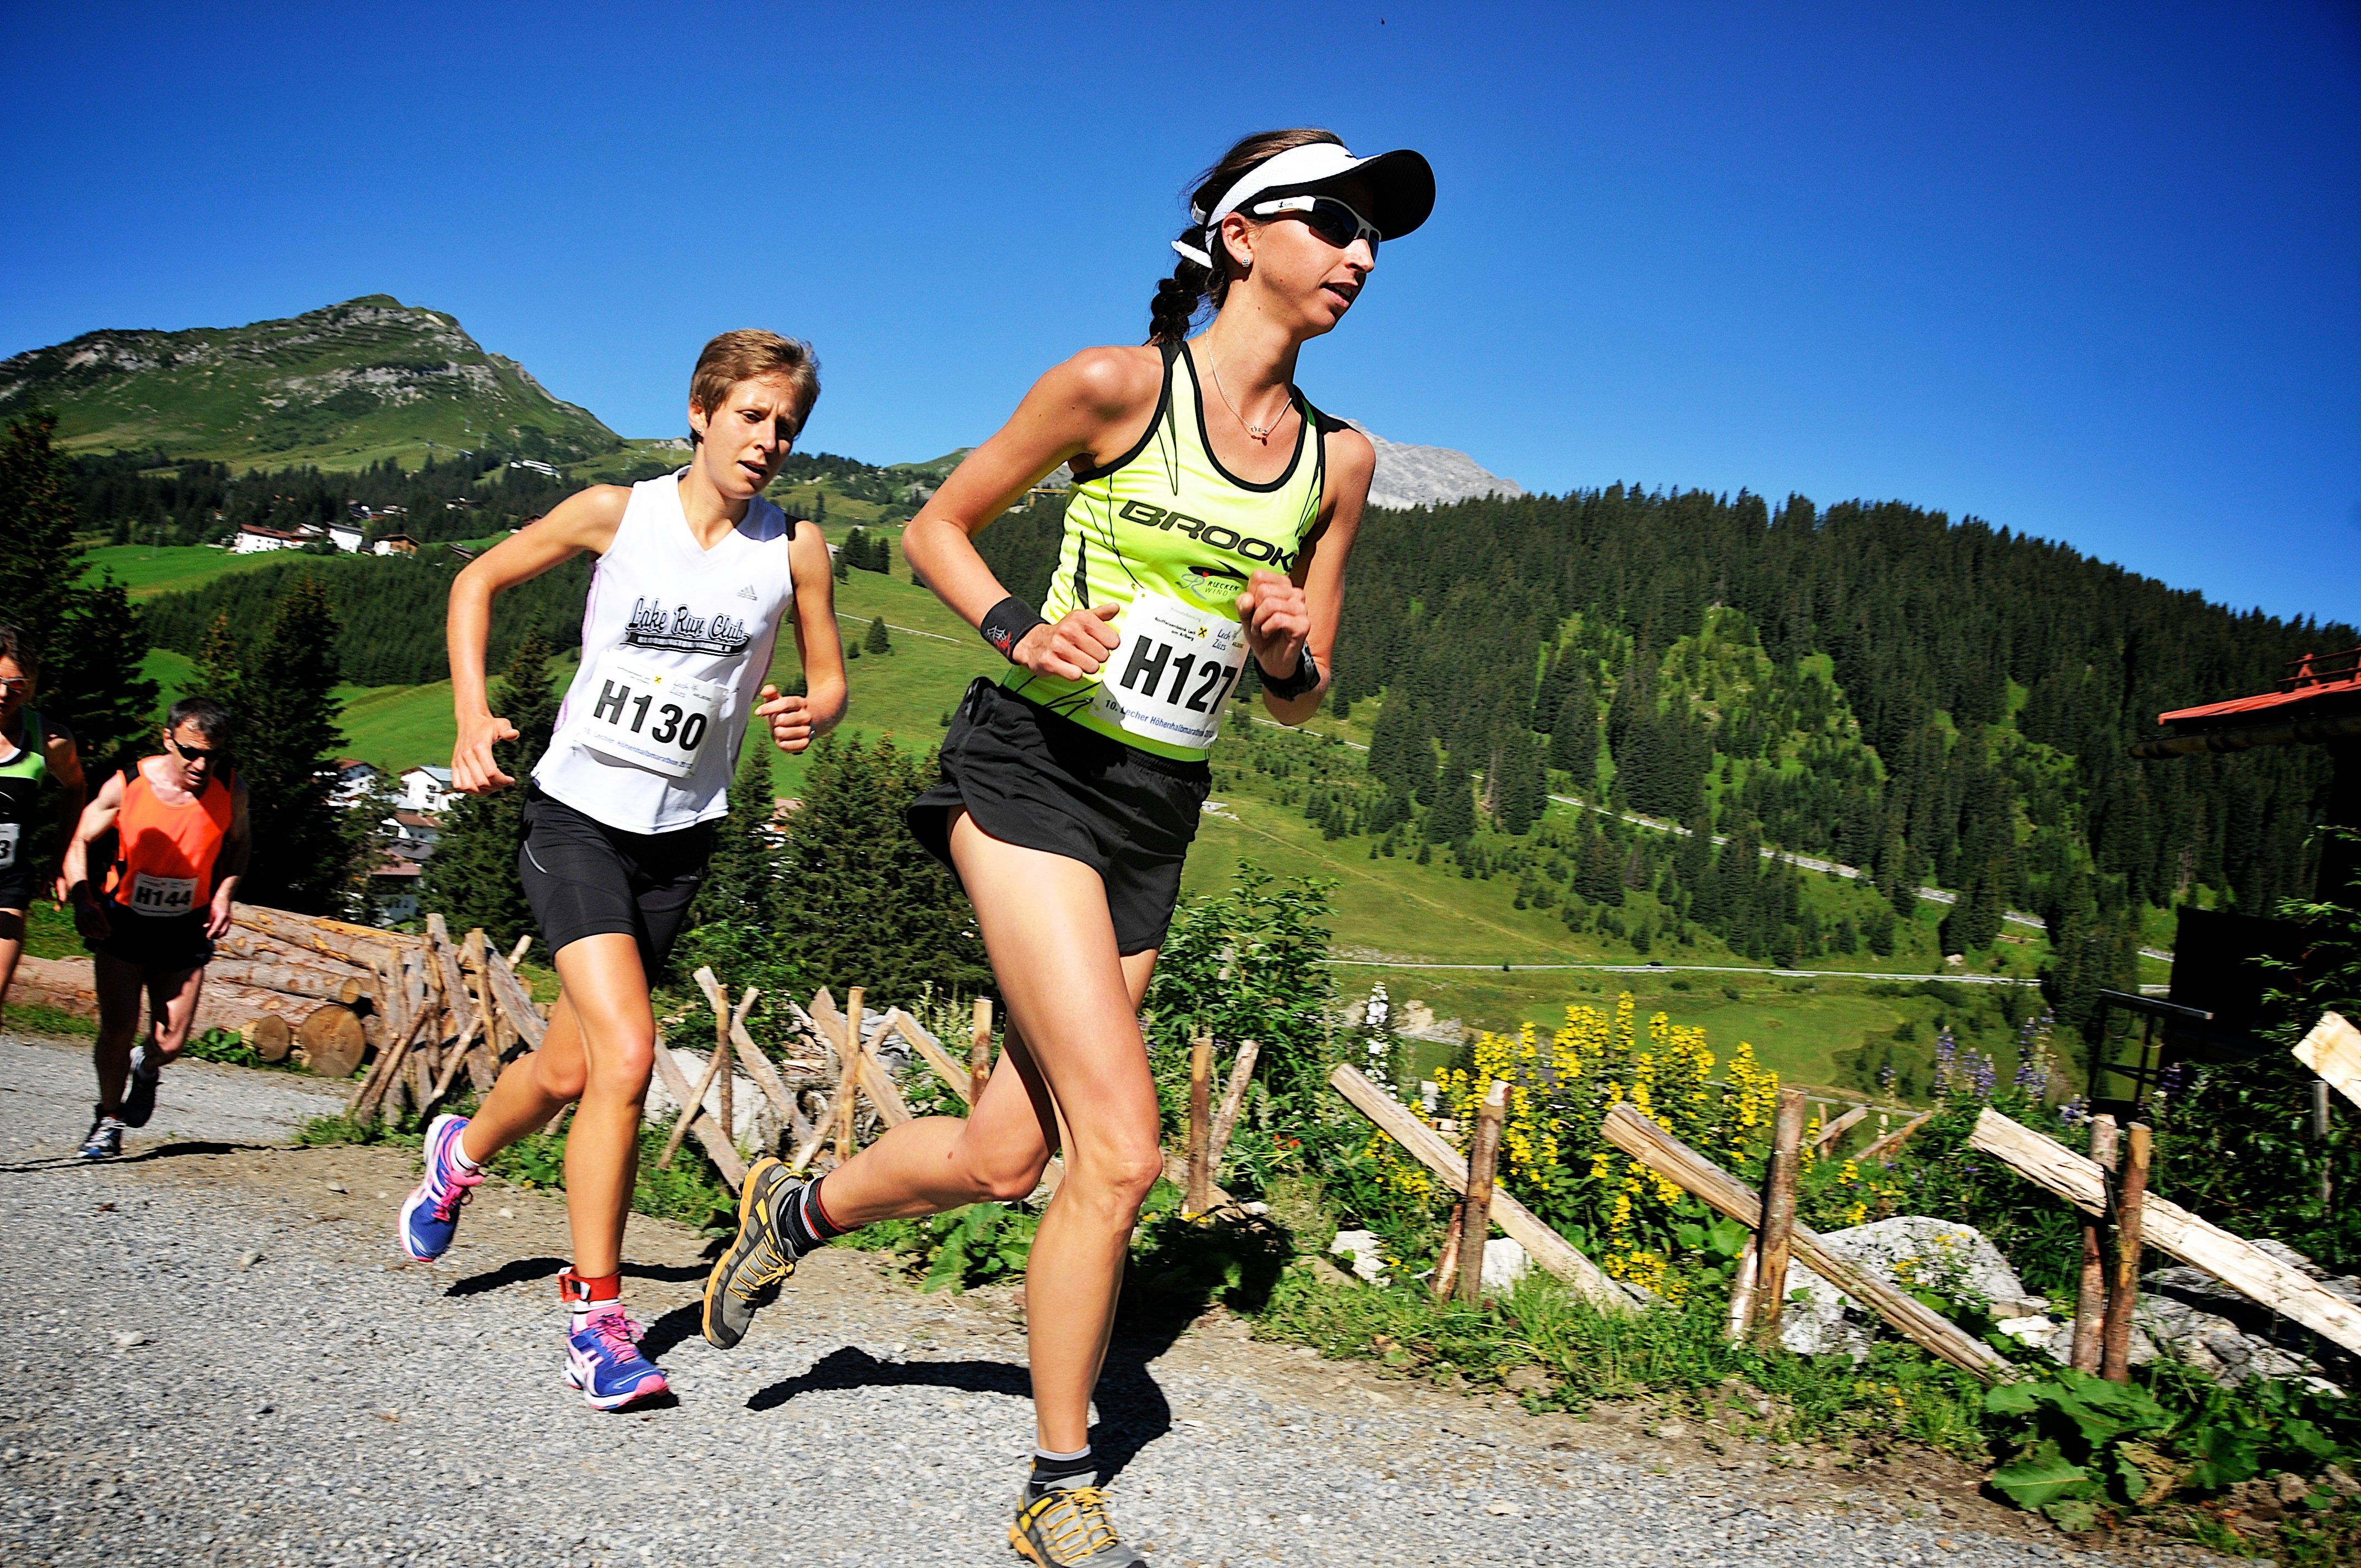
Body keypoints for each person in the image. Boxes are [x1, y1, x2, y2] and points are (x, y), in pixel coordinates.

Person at [703, 128, 1430, 1565]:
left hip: (1156, 812)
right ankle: (1058, 1488)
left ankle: (796, 1206)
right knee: (1123, 1150)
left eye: (1375, 235)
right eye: (1336, 219)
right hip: (1031, 771)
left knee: (1004, 1154)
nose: (1360, 252)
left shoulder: (1338, 461)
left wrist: (1283, 651)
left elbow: (1301, 697)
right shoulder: (1115, 387)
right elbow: (939, 528)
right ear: (1241, 236)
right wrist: (1019, 630)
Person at [396, 329, 846, 1412]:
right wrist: (470, 715)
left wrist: (809, 711)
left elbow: (829, 680)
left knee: (568, 1066)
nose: (769, 439)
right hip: (575, 817)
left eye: (786, 426)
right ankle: (596, 1321)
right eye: (751, 415)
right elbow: (475, 580)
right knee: (629, 1054)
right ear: (701, 412)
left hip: (678, 838)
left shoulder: (795, 550)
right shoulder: (616, 511)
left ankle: (459, 1150)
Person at [62, 696, 249, 1159]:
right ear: (168, 739)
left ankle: (146, 1066)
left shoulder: (231, 790)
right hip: (124, 922)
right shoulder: (129, 784)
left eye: (211, 756)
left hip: (186, 926)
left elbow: (240, 844)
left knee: (171, 1042)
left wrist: (224, 893)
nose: (200, 765)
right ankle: (108, 1120)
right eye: (190, 753)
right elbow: (81, 838)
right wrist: (82, 896)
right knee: (117, 1029)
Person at [0, 627, 88, 1028]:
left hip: (7, 886)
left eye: (16, 684)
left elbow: (76, 788)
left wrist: (59, 860)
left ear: (31, 686)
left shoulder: (50, 742)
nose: (4, 693)